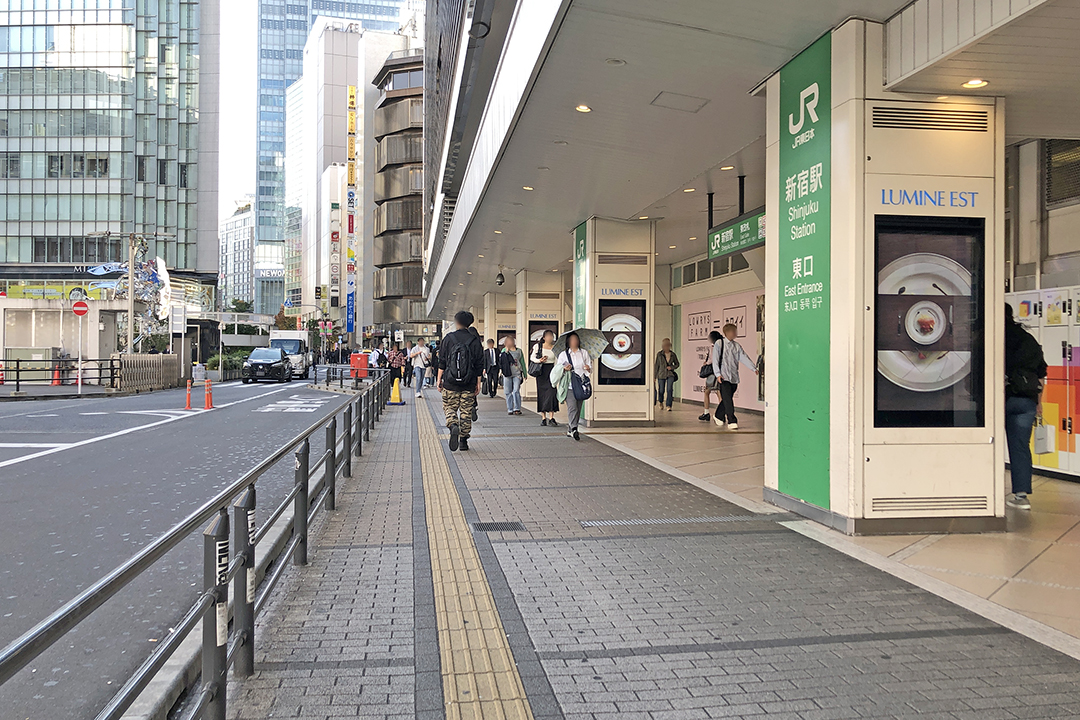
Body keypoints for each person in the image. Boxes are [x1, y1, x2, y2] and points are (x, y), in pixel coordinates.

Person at [1005, 303, 1047, 510]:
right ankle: (1021, 496)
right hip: (1027, 400)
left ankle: (985, 488)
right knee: (1020, 446)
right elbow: (1041, 374)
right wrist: (1039, 403)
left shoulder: (993, 336)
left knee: (988, 444)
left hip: (1001, 398)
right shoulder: (1028, 339)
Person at [437, 311, 484, 452]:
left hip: (450, 382)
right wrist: (478, 383)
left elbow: (442, 361)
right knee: (466, 411)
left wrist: (439, 378)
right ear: (470, 323)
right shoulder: (475, 340)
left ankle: (452, 425)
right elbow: (479, 364)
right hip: (469, 382)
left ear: (456, 321)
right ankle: (463, 441)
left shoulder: (448, 338)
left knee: (449, 407)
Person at [712, 324, 758, 430]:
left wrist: (753, 368)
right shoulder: (719, 343)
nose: (735, 334)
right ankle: (731, 420)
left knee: (727, 399)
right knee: (728, 399)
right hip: (723, 377)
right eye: (734, 331)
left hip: (733, 377)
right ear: (727, 332)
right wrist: (718, 374)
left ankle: (718, 415)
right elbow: (715, 360)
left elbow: (743, 357)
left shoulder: (736, 346)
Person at [555, 332, 591, 441]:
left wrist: (588, 368)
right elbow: (559, 367)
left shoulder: (584, 353)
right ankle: (574, 428)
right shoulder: (563, 354)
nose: (575, 341)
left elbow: (590, 367)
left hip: (581, 384)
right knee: (572, 407)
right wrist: (565, 368)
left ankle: (571, 429)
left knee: (578, 407)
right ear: (568, 342)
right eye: (572, 340)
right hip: (569, 385)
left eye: (576, 339)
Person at [531, 330, 559, 426]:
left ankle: (551, 417)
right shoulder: (537, 347)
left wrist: (558, 372)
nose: (550, 338)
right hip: (541, 372)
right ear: (544, 337)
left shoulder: (555, 348)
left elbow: (557, 361)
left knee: (552, 393)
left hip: (552, 371)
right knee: (542, 393)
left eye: (551, 336)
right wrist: (540, 360)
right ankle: (543, 417)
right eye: (548, 336)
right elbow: (532, 358)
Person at [699, 331, 723, 422]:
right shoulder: (723, 345)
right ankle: (722, 413)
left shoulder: (714, 347)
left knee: (707, 391)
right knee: (718, 391)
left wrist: (706, 363)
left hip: (713, 372)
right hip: (721, 371)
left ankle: (706, 412)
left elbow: (712, 360)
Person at [499, 336, 525, 415]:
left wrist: (525, 372)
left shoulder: (519, 351)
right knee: (508, 392)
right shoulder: (504, 350)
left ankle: (517, 408)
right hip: (507, 374)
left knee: (516, 390)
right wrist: (506, 352)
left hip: (517, 373)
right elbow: (501, 361)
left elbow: (522, 362)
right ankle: (510, 408)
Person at [653, 338, 680, 412]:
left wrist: (671, 367)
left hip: (670, 374)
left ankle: (669, 405)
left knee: (669, 389)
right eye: (664, 345)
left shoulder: (673, 354)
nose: (666, 347)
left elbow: (677, 364)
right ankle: (661, 401)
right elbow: (656, 366)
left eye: (667, 345)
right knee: (661, 390)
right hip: (661, 374)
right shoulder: (659, 354)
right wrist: (654, 376)